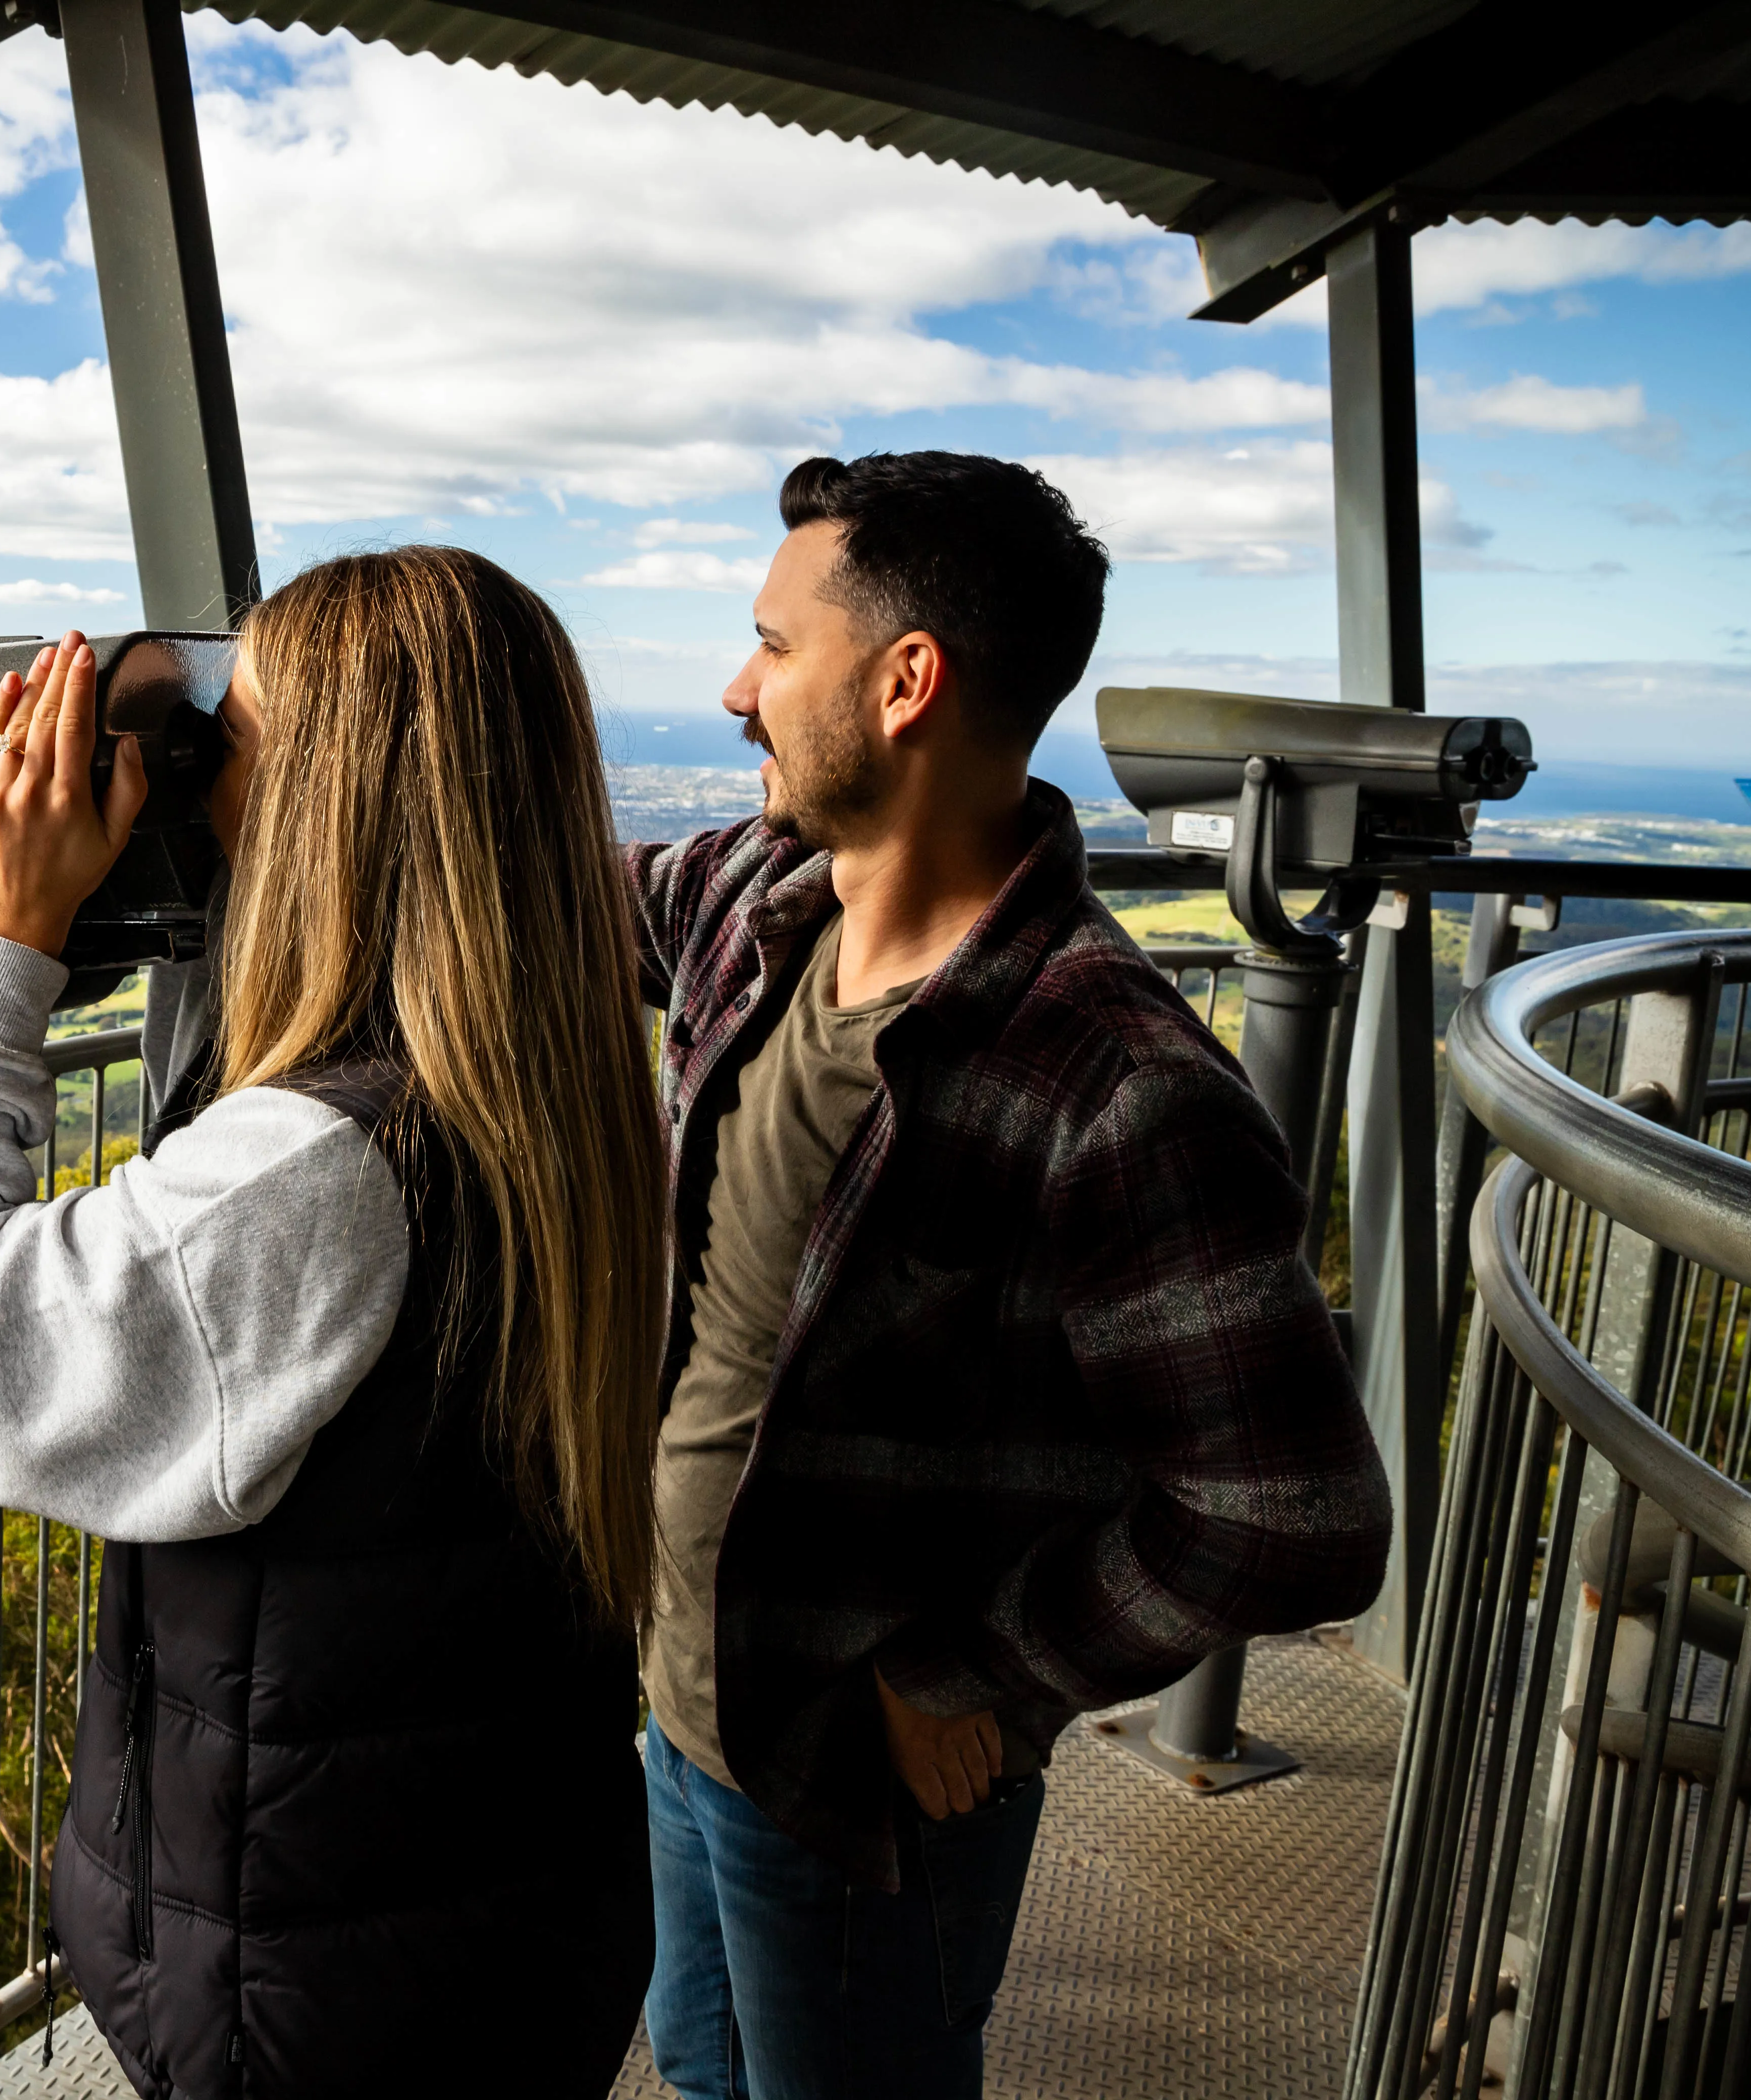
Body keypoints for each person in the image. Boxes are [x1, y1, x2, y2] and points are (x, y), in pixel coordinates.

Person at [0, 547, 667, 2100]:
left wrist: (1, 950)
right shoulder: (565, 1094)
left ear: (325, 808)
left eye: (234, 743)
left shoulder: (322, 1173)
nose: (203, 783)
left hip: (317, 1988)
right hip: (505, 1912)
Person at [629, 451, 1394, 2100]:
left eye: (774, 643)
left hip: (861, 1781)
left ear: (907, 683)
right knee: (700, 2075)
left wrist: (978, 1668)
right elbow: (521, 895)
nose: (735, 688)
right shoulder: (753, 905)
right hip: (686, 1709)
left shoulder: (1119, 1087)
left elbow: (1292, 1510)